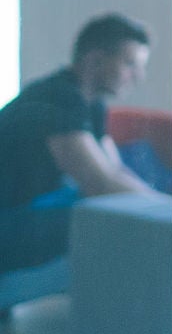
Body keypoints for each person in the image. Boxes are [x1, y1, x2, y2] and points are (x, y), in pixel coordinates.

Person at [0, 14, 158, 271]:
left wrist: (166, 202)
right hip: (7, 224)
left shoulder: (92, 104)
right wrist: (167, 208)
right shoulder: (59, 97)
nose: (138, 76)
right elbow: (100, 183)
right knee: (104, 219)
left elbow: (115, 171)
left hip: (21, 215)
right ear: (95, 60)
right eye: (130, 64)